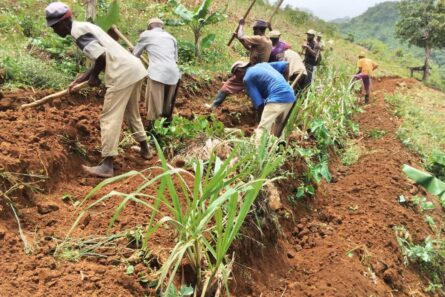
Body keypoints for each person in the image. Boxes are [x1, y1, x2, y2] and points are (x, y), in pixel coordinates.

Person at [45, 2, 151, 178]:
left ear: (64, 22)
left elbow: (101, 56)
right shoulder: (85, 27)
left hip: (121, 73)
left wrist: (94, 77)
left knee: (109, 117)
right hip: (134, 68)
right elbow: (101, 56)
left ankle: (107, 165)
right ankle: (146, 150)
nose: (54, 31)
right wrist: (83, 77)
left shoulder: (78, 33)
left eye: (55, 26)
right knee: (132, 113)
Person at [133, 18, 181, 128]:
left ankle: (152, 129)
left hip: (157, 73)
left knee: (154, 102)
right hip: (173, 73)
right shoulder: (171, 38)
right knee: (166, 103)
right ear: (162, 27)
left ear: (149, 27)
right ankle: (165, 127)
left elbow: (135, 54)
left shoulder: (146, 35)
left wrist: (131, 51)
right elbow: (175, 59)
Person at [243, 61, 296, 141]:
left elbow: (260, 105)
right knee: (279, 128)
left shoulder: (247, 78)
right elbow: (285, 65)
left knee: (262, 129)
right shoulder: (262, 64)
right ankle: (278, 149)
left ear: (239, 71)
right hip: (290, 96)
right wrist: (285, 83)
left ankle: (257, 151)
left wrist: (259, 122)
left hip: (277, 97)